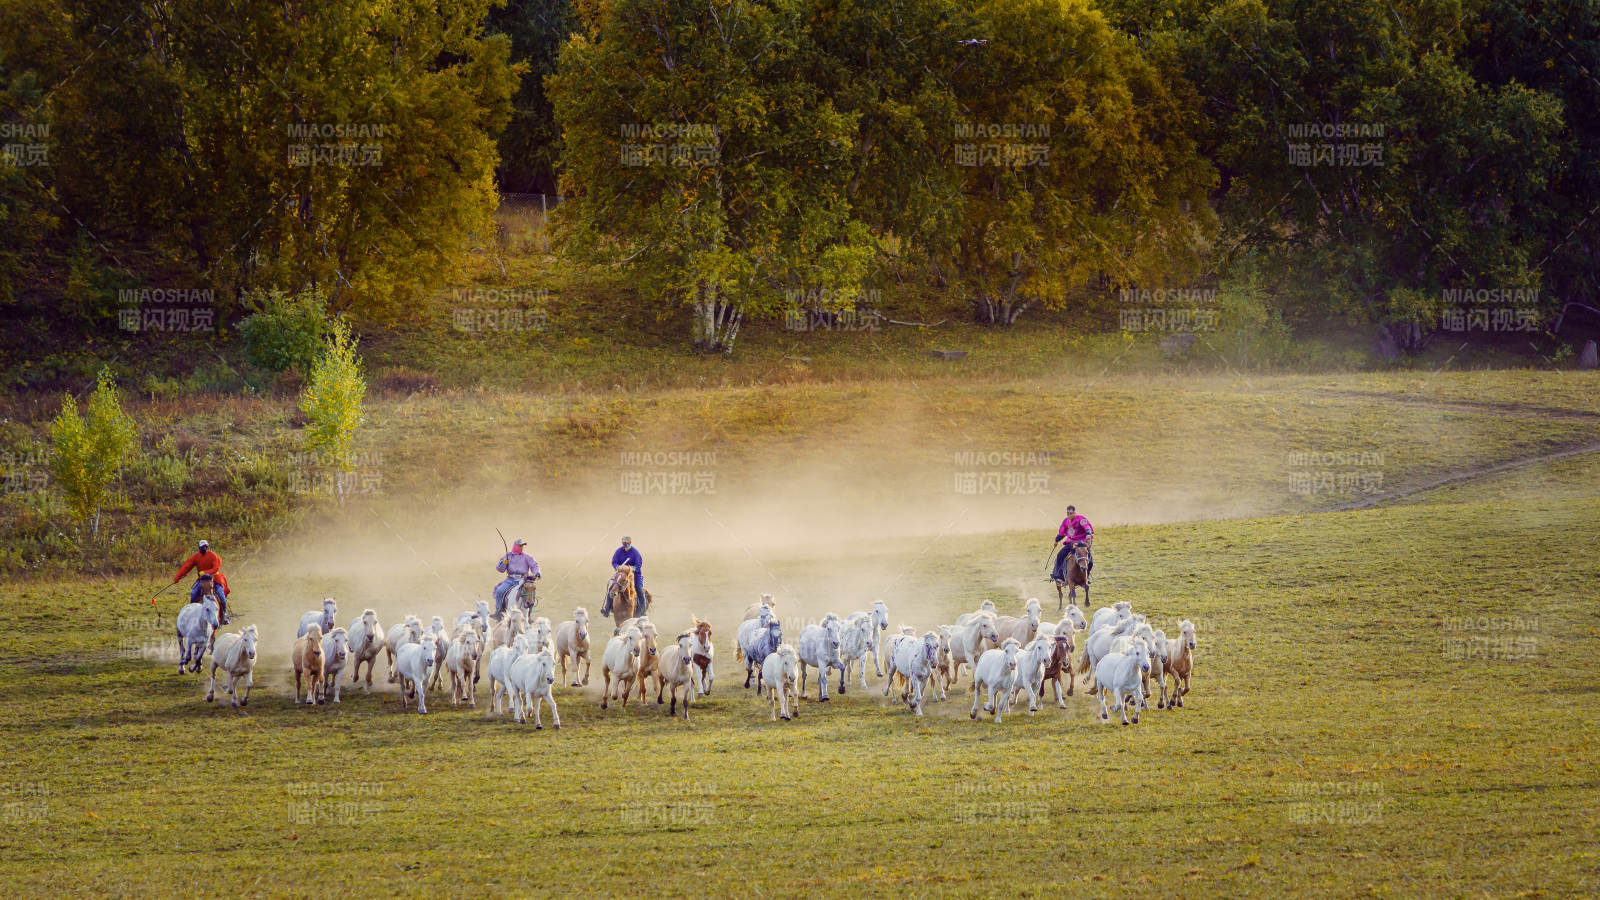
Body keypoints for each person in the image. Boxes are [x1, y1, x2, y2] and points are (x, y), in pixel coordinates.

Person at [174, 539, 230, 623]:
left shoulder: (213, 555)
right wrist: (177, 577)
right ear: (199, 548)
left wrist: (206, 572)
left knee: (221, 595)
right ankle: (191, 612)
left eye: (205, 547)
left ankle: (224, 614)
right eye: (202, 547)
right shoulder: (196, 557)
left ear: (207, 547)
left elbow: (216, 567)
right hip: (202, 579)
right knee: (193, 594)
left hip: (214, 578)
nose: (204, 549)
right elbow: (187, 566)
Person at [493, 539, 540, 618]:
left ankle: (529, 615)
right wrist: (503, 563)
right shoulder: (508, 556)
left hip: (523, 580)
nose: (521, 547)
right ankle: (499, 611)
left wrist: (537, 573)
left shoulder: (527, 557)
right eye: (520, 545)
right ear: (515, 546)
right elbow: (500, 569)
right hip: (510, 580)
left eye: (522, 546)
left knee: (531, 595)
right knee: (499, 591)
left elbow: (534, 565)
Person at [1051, 505, 1094, 584]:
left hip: (1082, 543)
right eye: (1068, 513)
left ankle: (1086, 575)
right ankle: (1058, 575)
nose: (1069, 515)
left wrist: (1088, 535)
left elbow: (1087, 527)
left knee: (1090, 560)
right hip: (1071, 543)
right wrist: (1056, 540)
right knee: (1060, 555)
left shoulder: (1081, 519)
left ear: (1074, 512)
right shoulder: (1066, 521)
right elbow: (1062, 533)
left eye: (1071, 513)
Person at [605, 536, 644, 616]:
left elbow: (638, 565)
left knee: (640, 591)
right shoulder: (619, 551)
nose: (625, 545)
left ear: (630, 543)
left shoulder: (635, 552)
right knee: (611, 588)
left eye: (627, 544)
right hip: (621, 574)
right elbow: (614, 562)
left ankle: (642, 611)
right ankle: (608, 609)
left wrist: (629, 568)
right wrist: (617, 567)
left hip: (634, 575)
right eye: (624, 544)